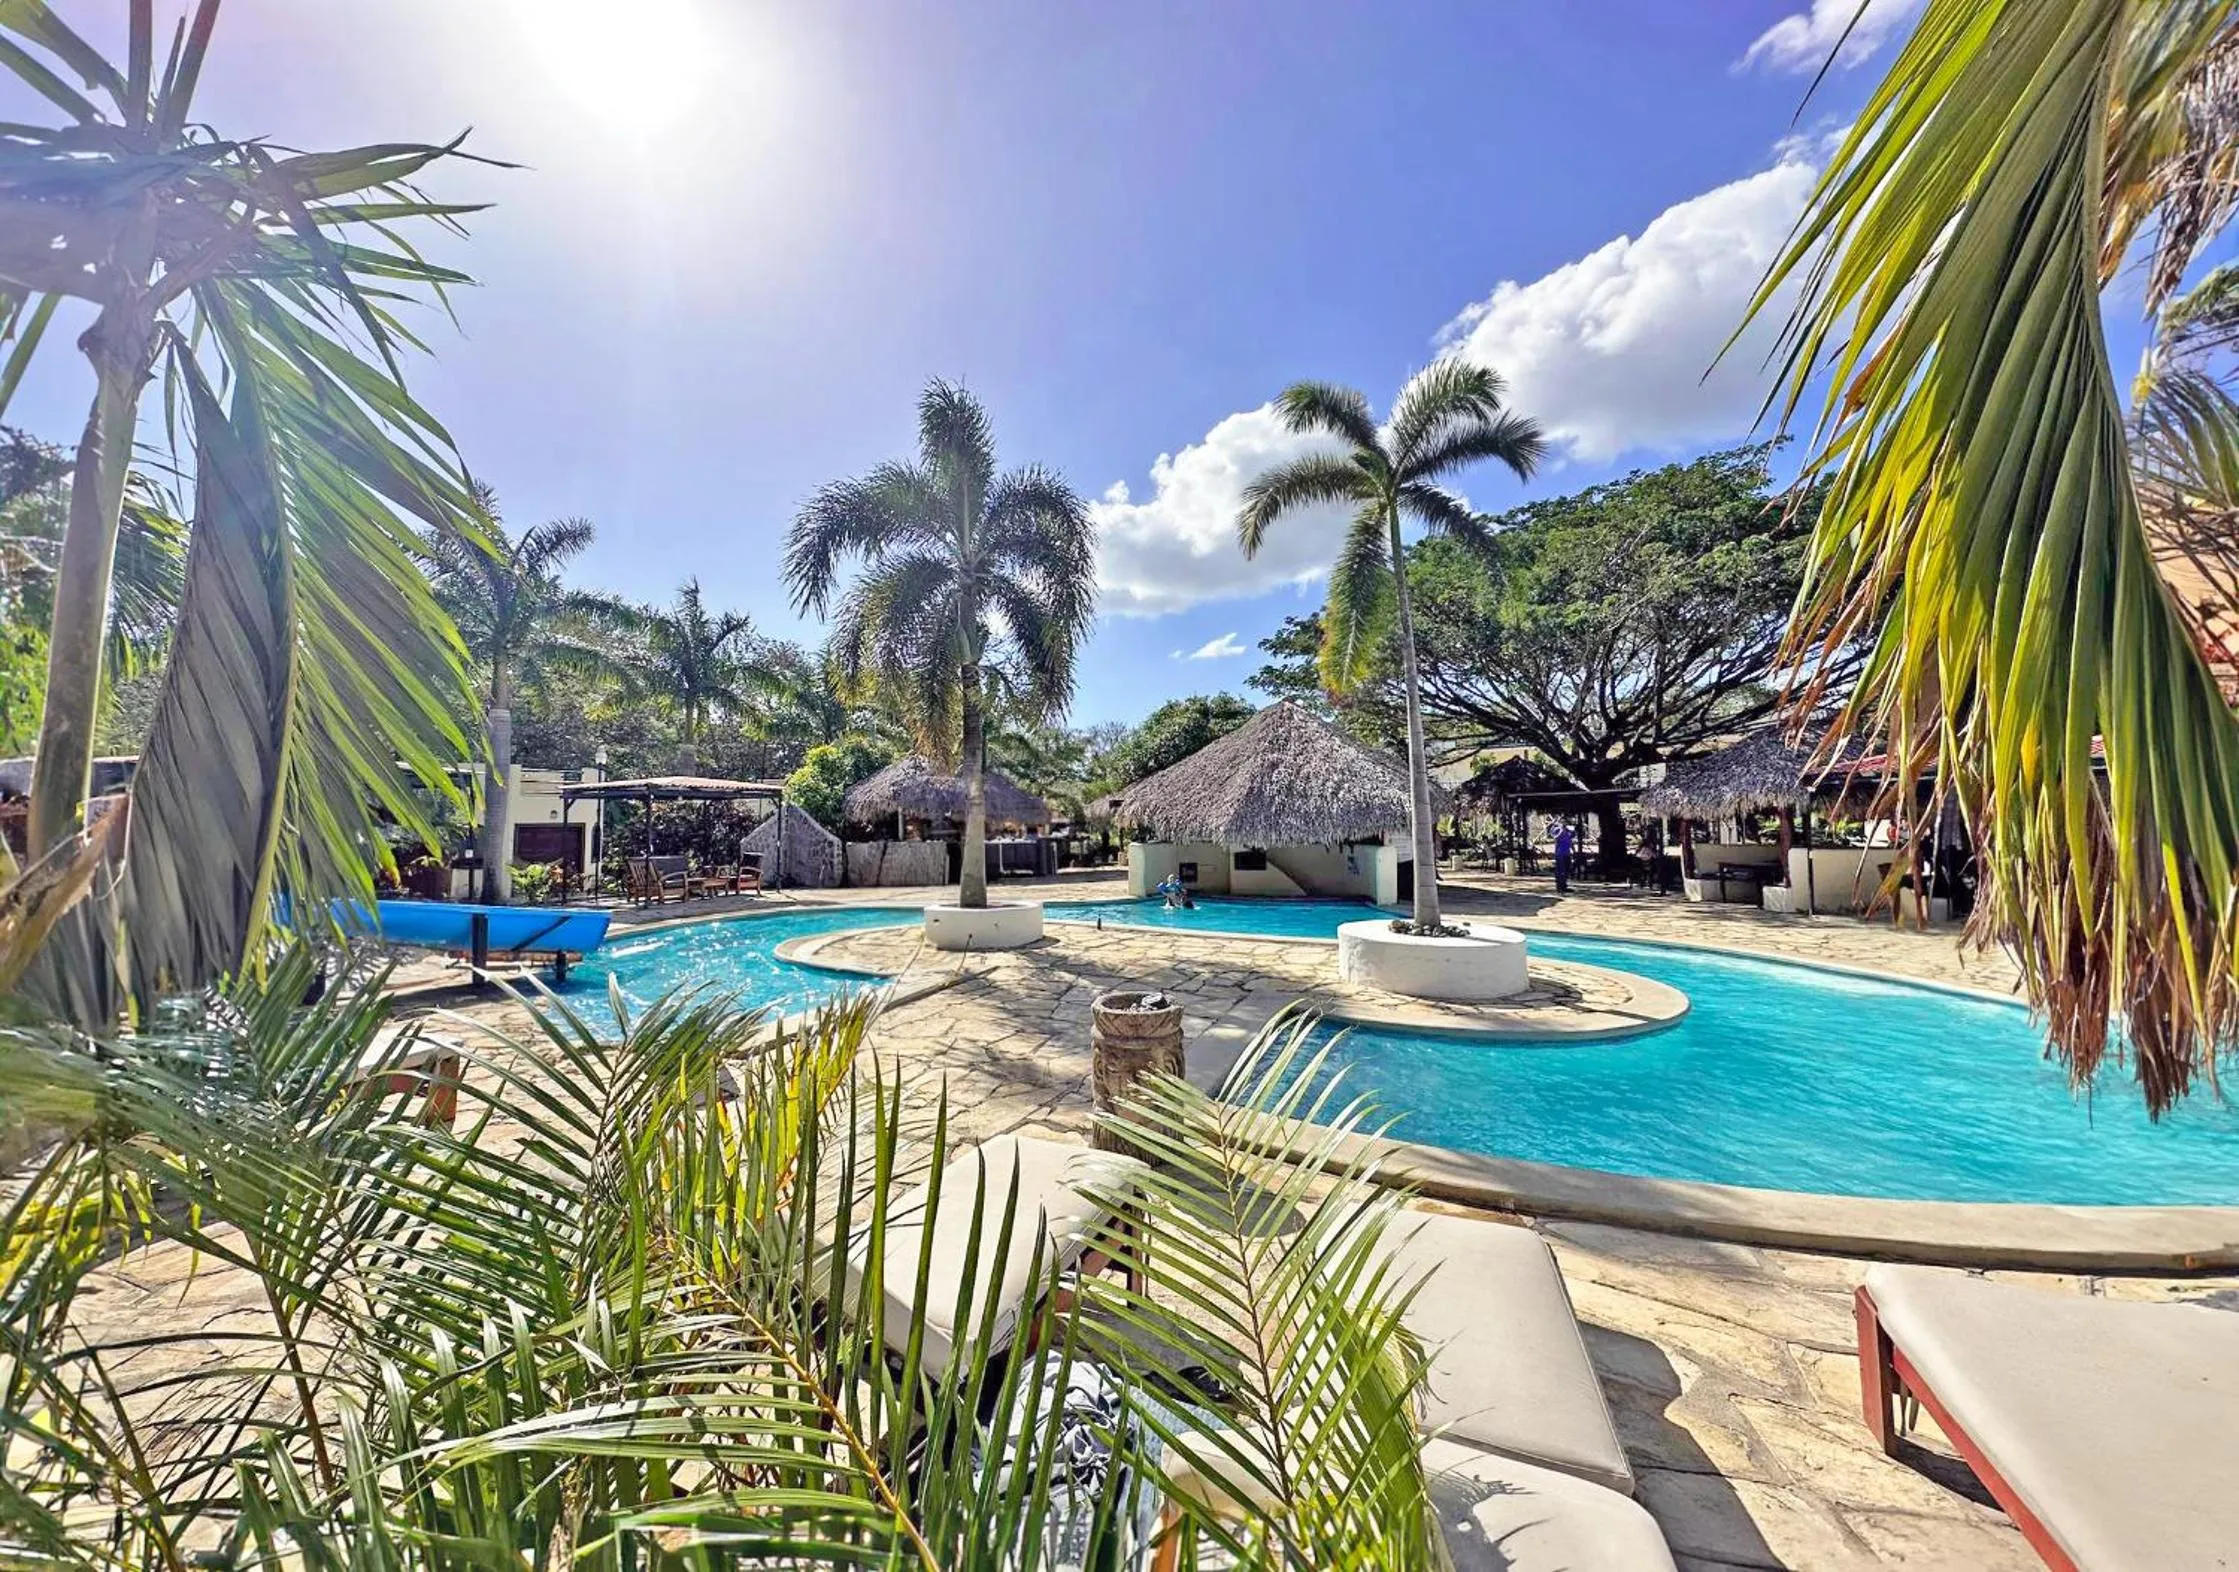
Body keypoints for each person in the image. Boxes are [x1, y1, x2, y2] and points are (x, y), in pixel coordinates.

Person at [1553, 822, 1575, 893]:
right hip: (1560, 854)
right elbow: (1555, 838)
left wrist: (1573, 851)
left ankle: (1564, 886)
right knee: (1560, 871)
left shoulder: (1568, 834)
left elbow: (1571, 841)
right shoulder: (1559, 833)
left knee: (1566, 871)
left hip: (1567, 854)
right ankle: (1559, 887)